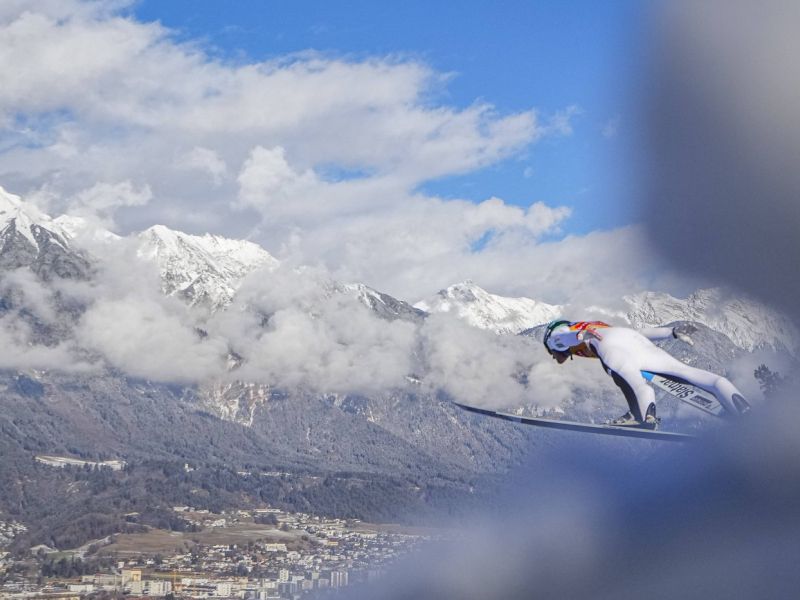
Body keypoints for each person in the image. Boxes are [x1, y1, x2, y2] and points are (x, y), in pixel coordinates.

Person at [542, 320, 750, 427]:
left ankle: (641, 415)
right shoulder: (595, 325)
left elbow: (561, 339)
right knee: (686, 372)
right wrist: (670, 332)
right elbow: (637, 333)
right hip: (637, 341)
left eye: (550, 353)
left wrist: (577, 336)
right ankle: (740, 407)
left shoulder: (559, 335)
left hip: (611, 345)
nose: (552, 356)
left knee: (627, 376)